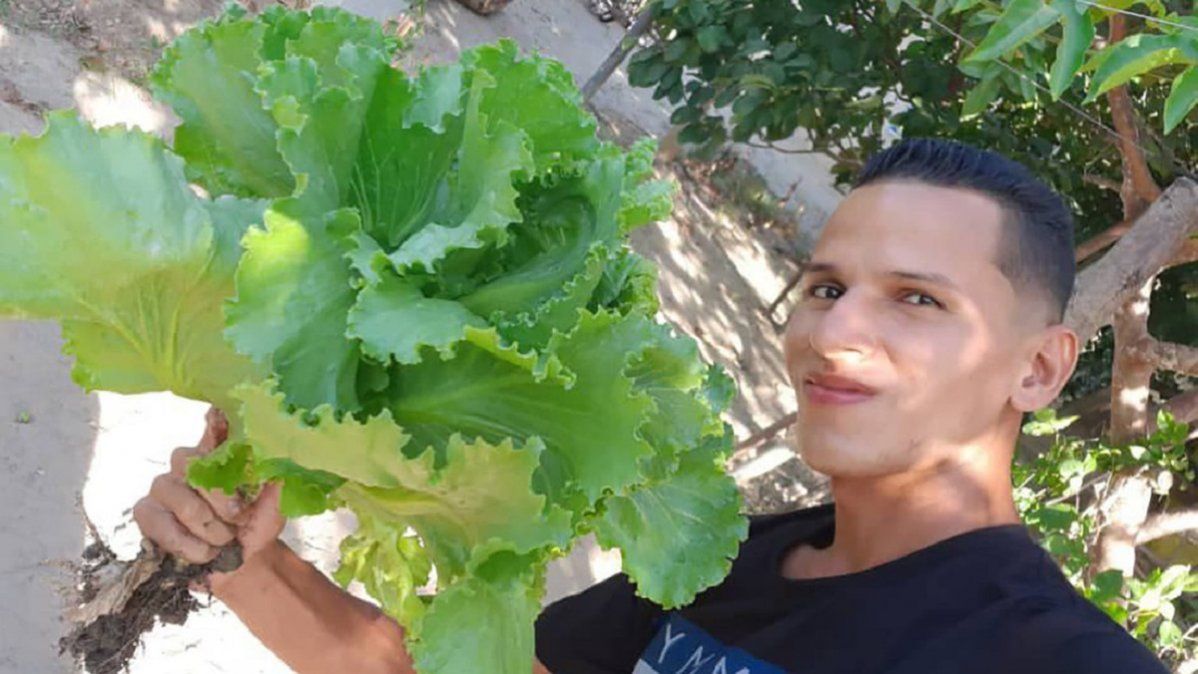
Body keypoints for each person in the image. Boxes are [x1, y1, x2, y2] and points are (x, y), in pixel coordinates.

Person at [134, 138, 1169, 674]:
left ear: (1036, 369)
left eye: (917, 299)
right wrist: (246, 560)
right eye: (823, 285)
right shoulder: (733, 568)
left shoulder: (1052, 659)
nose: (833, 329)